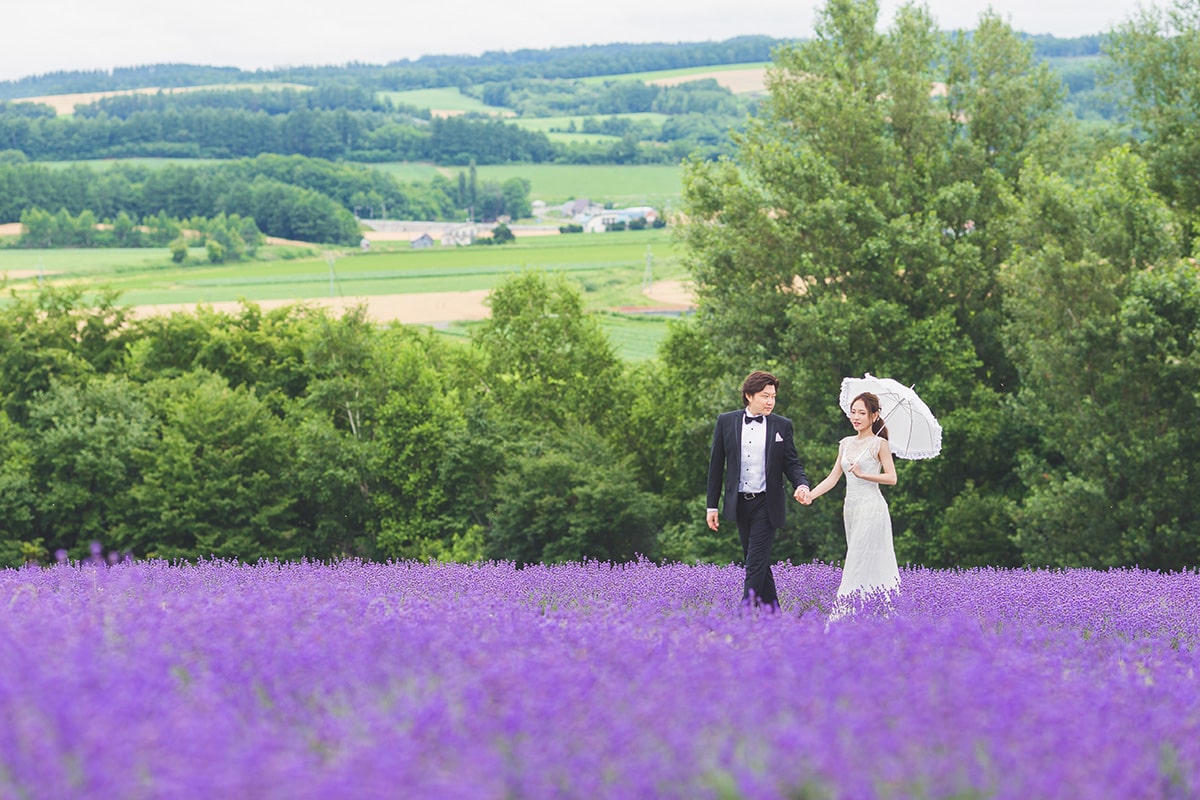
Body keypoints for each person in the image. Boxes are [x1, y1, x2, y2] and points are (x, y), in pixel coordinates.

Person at [706, 371, 810, 609]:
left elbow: (792, 463)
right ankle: (774, 619)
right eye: (765, 396)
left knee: (754, 564)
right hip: (740, 503)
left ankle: (743, 618)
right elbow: (715, 466)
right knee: (757, 563)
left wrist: (802, 484)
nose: (770, 401)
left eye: (773, 396)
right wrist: (712, 506)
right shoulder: (726, 421)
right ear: (748, 395)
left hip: (767, 504)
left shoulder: (782, 425)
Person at [804, 391, 900, 606]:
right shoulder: (845, 443)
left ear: (874, 416)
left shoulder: (880, 444)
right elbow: (832, 478)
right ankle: (864, 610)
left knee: (858, 560)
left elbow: (892, 478)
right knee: (859, 557)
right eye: (853, 412)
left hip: (872, 508)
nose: (856, 417)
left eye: (862, 413)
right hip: (851, 508)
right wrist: (811, 495)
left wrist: (864, 474)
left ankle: (847, 613)